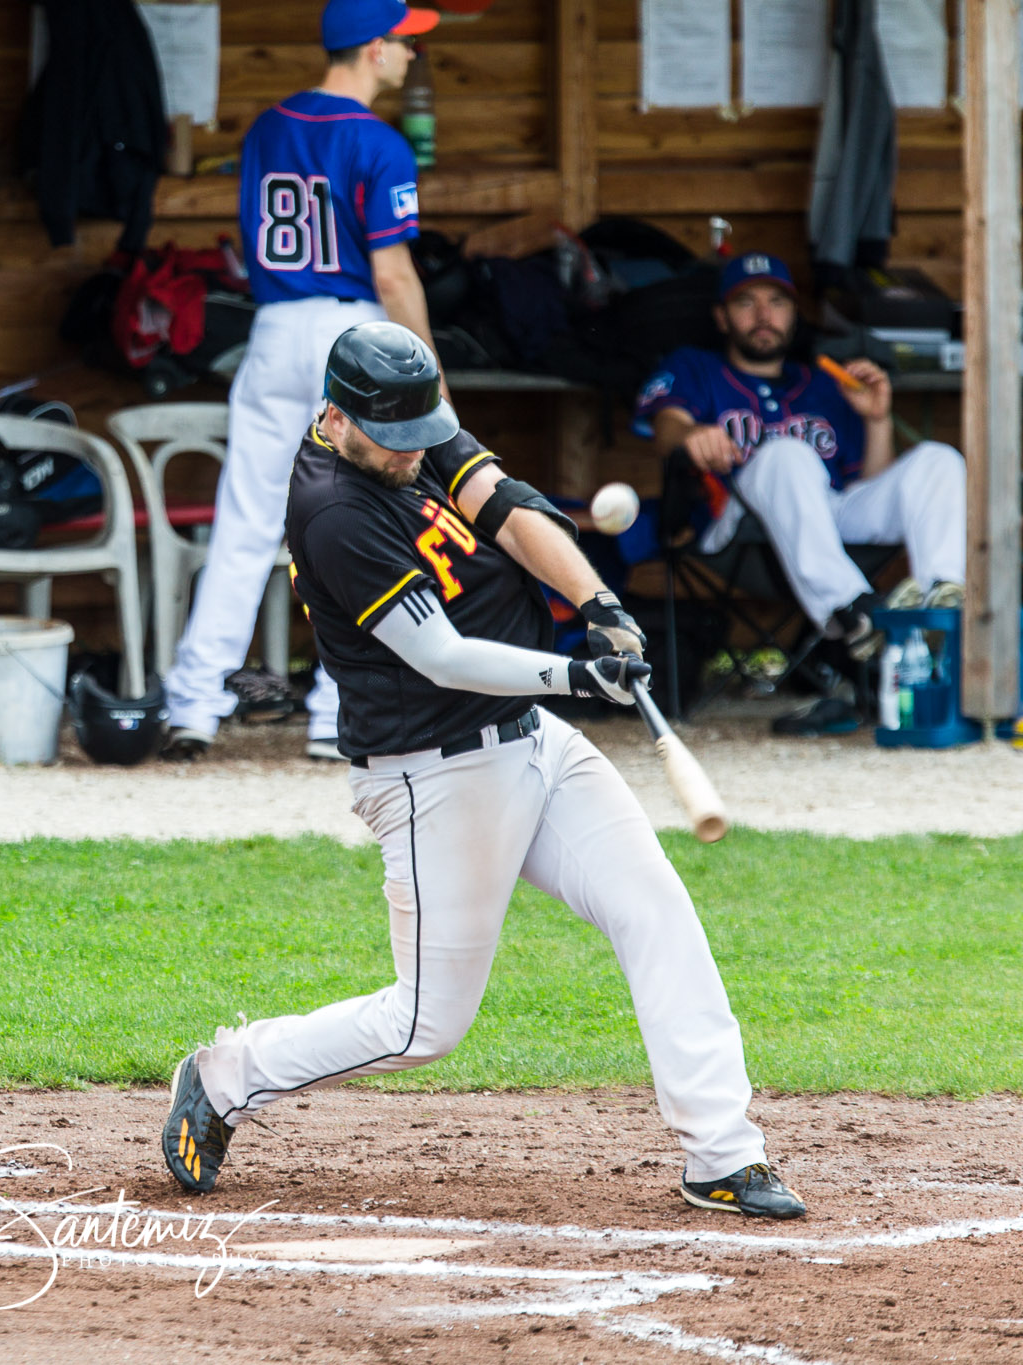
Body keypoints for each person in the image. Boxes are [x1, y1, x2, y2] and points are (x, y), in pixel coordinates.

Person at [161, 322, 804, 1221]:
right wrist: (583, 675)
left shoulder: (407, 419)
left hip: (529, 737)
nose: (412, 454)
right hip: (434, 775)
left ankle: (723, 1153)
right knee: (426, 1023)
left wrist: (599, 601)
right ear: (338, 419)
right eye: (394, 441)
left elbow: (504, 505)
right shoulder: (334, 510)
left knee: (653, 906)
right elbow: (443, 656)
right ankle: (228, 1072)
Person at [161, 0, 442, 765]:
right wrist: (429, 371)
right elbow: (392, 270)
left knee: (247, 519)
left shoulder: (267, 128)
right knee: (360, 520)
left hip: (277, 323)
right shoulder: (379, 142)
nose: (411, 55)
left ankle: (193, 701)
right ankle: (334, 713)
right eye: (403, 42)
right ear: (371, 50)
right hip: (350, 331)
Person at [634, 252, 965, 730]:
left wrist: (875, 420)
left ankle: (940, 610)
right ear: (721, 317)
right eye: (746, 302)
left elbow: (871, 488)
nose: (764, 314)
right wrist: (690, 436)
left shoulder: (824, 384)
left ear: (794, 314)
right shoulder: (696, 367)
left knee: (939, 460)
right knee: (788, 454)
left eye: (777, 302)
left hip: (824, 519)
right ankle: (852, 613)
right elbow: (666, 429)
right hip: (735, 526)